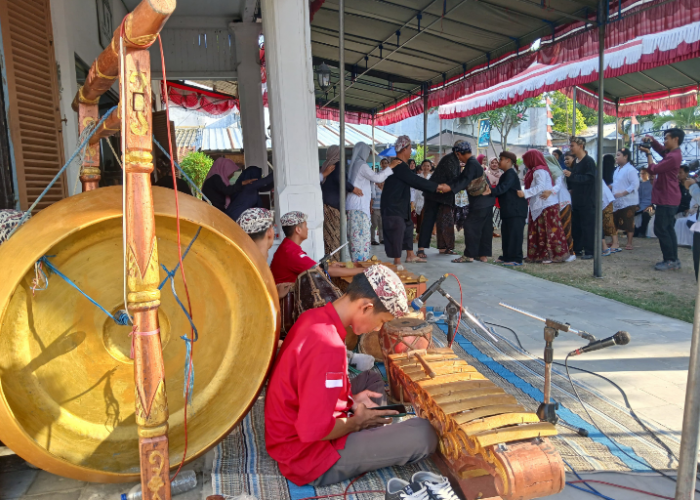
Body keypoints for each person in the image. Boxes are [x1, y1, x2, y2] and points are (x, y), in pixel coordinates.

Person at [264, 265, 438, 487]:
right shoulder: (328, 345)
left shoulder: (314, 317)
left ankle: (363, 422)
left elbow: (312, 385)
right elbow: (313, 430)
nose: (377, 329)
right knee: (424, 434)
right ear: (366, 307)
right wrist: (356, 422)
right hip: (306, 456)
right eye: (382, 321)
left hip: (296, 427)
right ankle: (365, 428)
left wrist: (350, 403)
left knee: (371, 380)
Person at [380, 136, 439, 265]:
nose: (411, 150)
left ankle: (410, 255)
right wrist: (436, 187)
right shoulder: (399, 165)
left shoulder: (402, 165)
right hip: (393, 206)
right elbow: (415, 181)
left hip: (401, 204)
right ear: (405, 148)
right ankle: (397, 262)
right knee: (398, 230)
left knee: (408, 227)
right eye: (410, 148)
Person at [269, 211, 365, 285]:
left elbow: (317, 268)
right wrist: (363, 271)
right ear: (298, 230)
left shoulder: (287, 246)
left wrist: (327, 267)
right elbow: (322, 272)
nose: (307, 229)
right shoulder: (292, 253)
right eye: (305, 226)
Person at [437, 141, 495, 264]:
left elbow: (464, 180)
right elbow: (460, 178)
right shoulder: (472, 163)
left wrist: (449, 188)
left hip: (481, 201)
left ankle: (469, 255)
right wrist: (448, 185)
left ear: (458, 153)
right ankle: (483, 255)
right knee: (484, 228)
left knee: (470, 225)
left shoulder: (472, 164)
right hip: (486, 201)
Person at [641, 128, 684, 270]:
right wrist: (651, 140)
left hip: (667, 197)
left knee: (661, 229)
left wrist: (648, 153)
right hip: (669, 197)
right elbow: (660, 149)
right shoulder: (672, 153)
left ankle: (670, 260)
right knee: (667, 228)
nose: (665, 141)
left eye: (667, 138)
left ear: (675, 139)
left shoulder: (673, 156)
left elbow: (653, 169)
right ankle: (674, 260)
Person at [517, 150, 570, 263]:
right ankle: (539, 254)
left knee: (548, 230)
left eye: (526, 160)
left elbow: (540, 187)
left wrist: (525, 193)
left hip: (546, 204)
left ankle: (549, 255)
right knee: (540, 230)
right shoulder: (535, 171)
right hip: (540, 204)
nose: (525, 163)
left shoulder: (539, 171)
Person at [346, 142, 394, 262]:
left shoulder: (353, 165)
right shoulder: (361, 165)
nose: (368, 156)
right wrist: (390, 167)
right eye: (367, 153)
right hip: (359, 207)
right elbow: (377, 178)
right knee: (360, 239)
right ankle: (360, 266)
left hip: (354, 206)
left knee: (355, 239)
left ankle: (358, 264)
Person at [418, 146, 461, 259]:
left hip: (444, 196)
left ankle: (444, 248)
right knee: (428, 221)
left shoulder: (455, 160)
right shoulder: (449, 160)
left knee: (446, 221)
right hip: (434, 194)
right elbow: (454, 178)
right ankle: (421, 249)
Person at [321, 146, 363, 256]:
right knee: (334, 234)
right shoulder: (337, 165)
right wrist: (353, 188)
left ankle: (330, 260)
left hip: (326, 203)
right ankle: (334, 261)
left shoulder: (326, 165)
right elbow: (340, 179)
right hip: (333, 205)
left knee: (328, 234)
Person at [491, 151, 527, 266]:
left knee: (514, 235)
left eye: (501, 159)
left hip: (516, 210)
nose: (499, 161)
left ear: (508, 160)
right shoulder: (506, 174)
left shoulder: (511, 173)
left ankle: (516, 258)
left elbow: (502, 189)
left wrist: (488, 191)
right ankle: (506, 256)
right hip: (508, 210)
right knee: (507, 234)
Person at [564, 136, 596, 260]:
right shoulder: (576, 162)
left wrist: (572, 176)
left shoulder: (589, 161)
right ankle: (577, 249)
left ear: (580, 146)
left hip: (587, 200)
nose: (570, 148)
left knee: (588, 226)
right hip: (577, 200)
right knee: (577, 226)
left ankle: (590, 250)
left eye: (572, 145)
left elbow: (589, 179)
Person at [609, 148, 639, 251]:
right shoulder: (617, 169)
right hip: (617, 200)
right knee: (615, 220)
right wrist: (610, 187)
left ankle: (629, 242)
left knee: (628, 221)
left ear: (625, 156)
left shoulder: (631, 169)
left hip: (628, 200)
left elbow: (635, 184)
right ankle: (615, 241)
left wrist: (623, 193)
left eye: (618, 155)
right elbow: (617, 183)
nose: (616, 157)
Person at [413, 160, 432, 251]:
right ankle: (419, 236)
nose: (426, 168)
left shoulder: (432, 177)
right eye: (424, 166)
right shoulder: (417, 177)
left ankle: (423, 238)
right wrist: (414, 202)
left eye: (428, 166)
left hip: (429, 201)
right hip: (419, 201)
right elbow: (415, 190)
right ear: (421, 167)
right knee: (419, 220)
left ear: (430, 167)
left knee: (426, 221)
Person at [370, 159, 389, 245]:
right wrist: (370, 207)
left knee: (382, 225)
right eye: (383, 163)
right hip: (375, 208)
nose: (384, 165)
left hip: (383, 208)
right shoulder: (374, 187)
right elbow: (372, 198)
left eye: (386, 163)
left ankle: (382, 239)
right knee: (374, 225)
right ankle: (372, 239)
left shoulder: (387, 187)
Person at [486, 157, 503, 238]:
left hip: (498, 196)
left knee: (496, 214)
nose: (494, 164)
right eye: (492, 163)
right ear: (489, 164)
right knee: (489, 214)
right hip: (489, 195)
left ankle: (492, 231)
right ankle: (488, 232)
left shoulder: (501, 174)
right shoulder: (486, 173)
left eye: (496, 163)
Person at [635, 168, 653, 237]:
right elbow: (639, 197)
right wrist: (637, 205)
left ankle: (642, 232)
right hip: (641, 205)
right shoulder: (641, 185)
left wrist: (652, 205)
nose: (642, 175)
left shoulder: (655, 185)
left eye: (644, 173)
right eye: (641, 173)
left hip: (651, 205)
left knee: (646, 215)